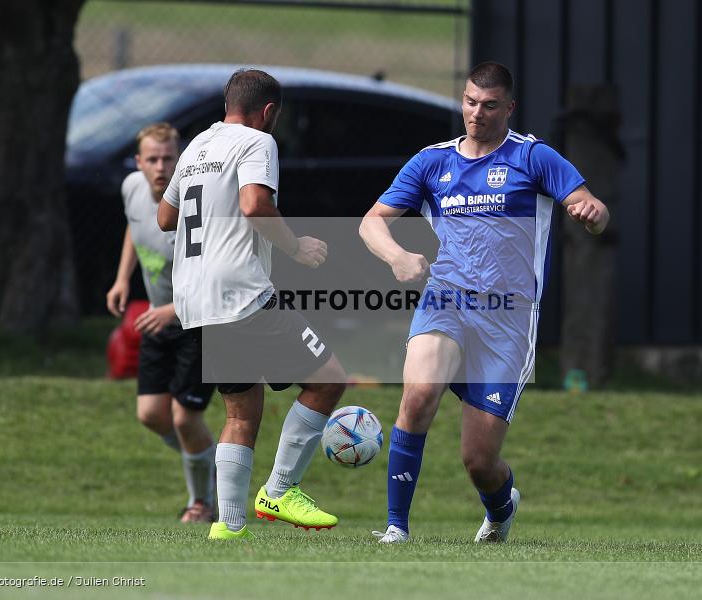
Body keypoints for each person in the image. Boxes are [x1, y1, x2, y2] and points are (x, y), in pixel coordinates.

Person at [359, 62, 610, 543]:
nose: (477, 113)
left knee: (478, 460)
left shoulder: (534, 158)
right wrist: (396, 257)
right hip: (445, 300)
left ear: (508, 108)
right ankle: (396, 528)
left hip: (508, 321)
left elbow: (591, 208)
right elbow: (372, 221)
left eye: (489, 105)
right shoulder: (432, 162)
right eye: (471, 102)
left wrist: (591, 213)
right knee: (417, 396)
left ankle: (500, 507)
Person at [157, 69, 347, 541]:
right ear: (268, 112)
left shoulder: (197, 146)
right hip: (240, 291)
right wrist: (296, 247)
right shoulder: (257, 142)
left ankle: (228, 525)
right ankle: (280, 490)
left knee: (241, 413)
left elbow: (165, 217)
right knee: (328, 380)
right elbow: (255, 204)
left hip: (196, 299)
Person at [106, 123, 218, 524]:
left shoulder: (193, 203)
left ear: (181, 158)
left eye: (168, 158)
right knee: (151, 414)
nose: (160, 167)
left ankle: (201, 503)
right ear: (139, 163)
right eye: (151, 159)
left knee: (184, 418)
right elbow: (134, 228)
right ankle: (214, 465)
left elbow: (214, 271)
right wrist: (123, 278)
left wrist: (173, 309)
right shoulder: (132, 188)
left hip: (199, 321)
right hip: (159, 318)